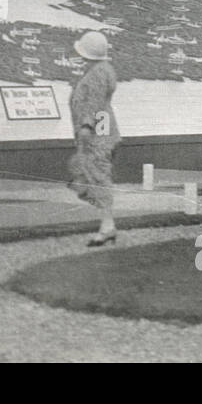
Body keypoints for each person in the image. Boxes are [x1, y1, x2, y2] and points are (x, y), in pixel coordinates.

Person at [67, 30, 121, 246]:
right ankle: (107, 224)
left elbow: (94, 102)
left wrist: (87, 126)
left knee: (96, 177)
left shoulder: (97, 73)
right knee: (86, 174)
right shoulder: (101, 70)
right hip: (101, 132)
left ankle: (107, 227)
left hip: (97, 134)